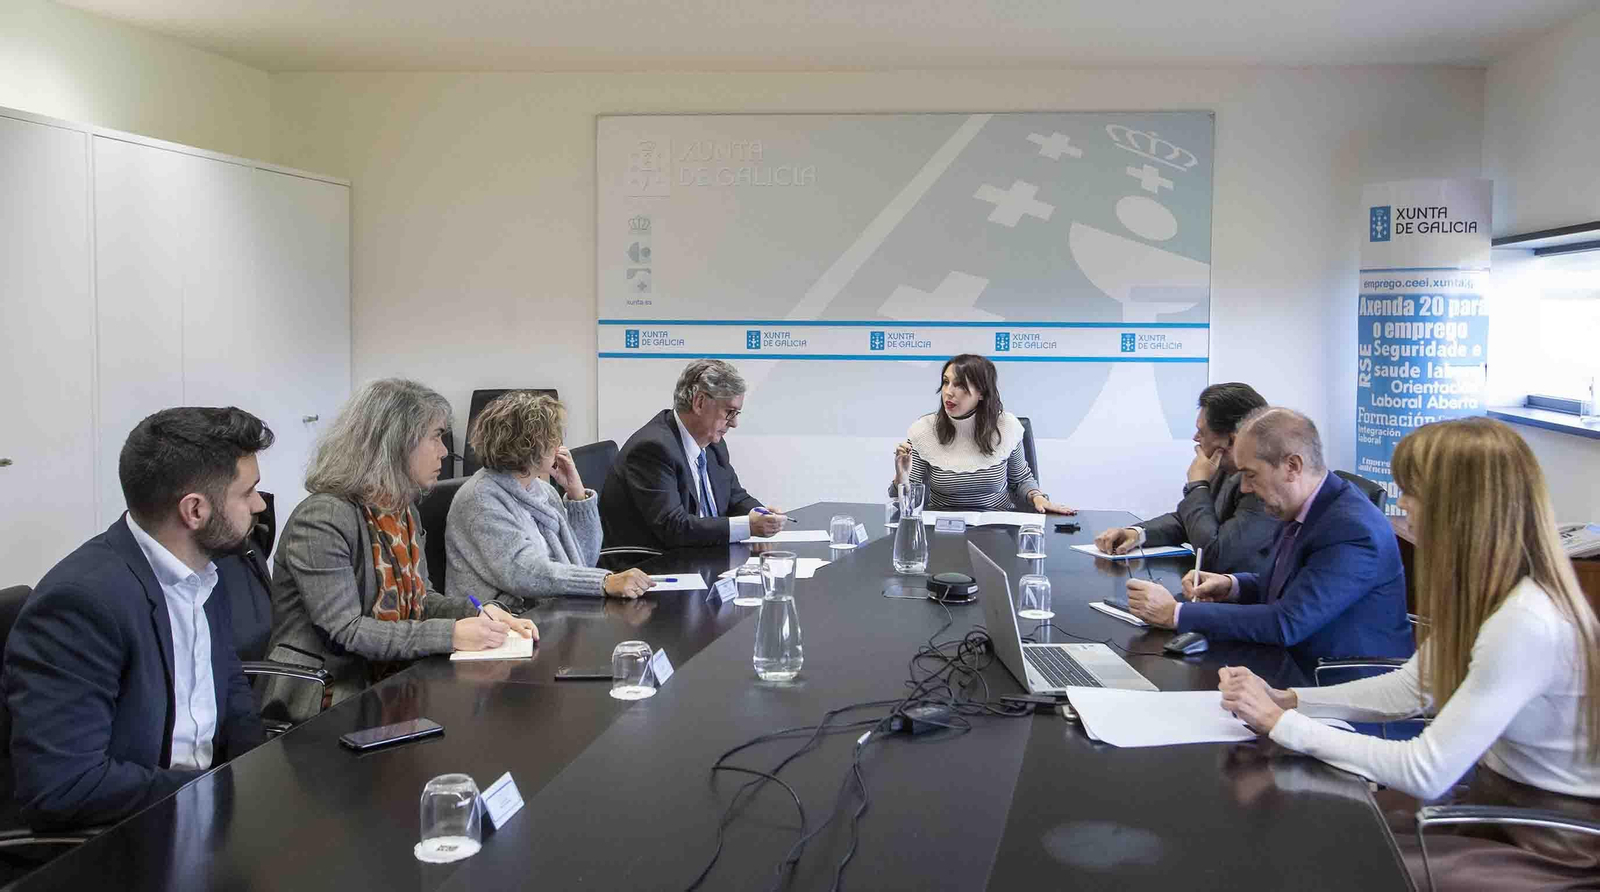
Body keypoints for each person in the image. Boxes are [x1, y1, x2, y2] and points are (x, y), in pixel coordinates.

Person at [1219, 418, 1600, 890]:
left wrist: (1284, 726)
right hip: (1496, 806)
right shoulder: (1493, 594)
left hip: (1553, 840)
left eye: (1410, 492)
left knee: (1331, 858)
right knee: (1315, 827)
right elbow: (1412, 688)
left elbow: (1425, 771)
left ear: (1458, 506)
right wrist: (1290, 699)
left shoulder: (1526, 620)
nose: (1401, 505)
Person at [2, 408, 272, 829]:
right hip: (130, 833)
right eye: (247, 492)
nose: (258, 504)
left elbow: (229, 686)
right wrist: (214, 792)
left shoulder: (206, 566)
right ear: (195, 511)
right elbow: (64, 787)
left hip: (202, 811)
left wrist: (259, 775)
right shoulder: (81, 604)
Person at [264, 379, 536, 718]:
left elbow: (421, 601)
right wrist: (451, 634)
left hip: (392, 681)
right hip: (329, 697)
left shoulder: (401, 509)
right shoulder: (323, 517)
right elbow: (347, 631)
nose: (444, 451)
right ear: (394, 443)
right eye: (435, 436)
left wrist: (478, 613)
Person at [1125, 407, 1413, 675]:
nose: (1246, 488)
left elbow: (1286, 622)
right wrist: (1231, 585)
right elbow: (1289, 585)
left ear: (1292, 466)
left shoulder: (1351, 529)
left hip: (1337, 685)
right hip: (1291, 666)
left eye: (1251, 475)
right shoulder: (1306, 506)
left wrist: (1175, 613)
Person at [446, 391, 654, 603]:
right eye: (552, 437)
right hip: (502, 622)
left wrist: (577, 495)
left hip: (548, 608)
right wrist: (603, 582)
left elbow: (583, 560)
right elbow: (522, 572)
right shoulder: (479, 499)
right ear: (527, 445)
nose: (560, 445)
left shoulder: (542, 490)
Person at [1093, 382, 1280, 575]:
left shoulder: (1262, 486)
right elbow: (1188, 521)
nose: (1195, 438)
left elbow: (1214, 557)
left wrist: (1198, 486)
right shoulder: (1222, 467)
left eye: (1202, 432)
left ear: (1231, 441)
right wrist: (1136, 534)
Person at [600, 359, 785, 550]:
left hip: (703, 556)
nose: (734, 423)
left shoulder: (714, 445)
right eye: (730, 412)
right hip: (655, 567)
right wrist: (748, 526)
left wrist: (761, 514)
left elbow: (735, 497)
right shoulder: (652, 449)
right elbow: (673, 527)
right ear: (700, 402)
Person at [890, 354, 1073, 514]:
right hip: (942, 527)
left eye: (960, 385)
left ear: (982, 393)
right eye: (946, 382)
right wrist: (901, 477)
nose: (948, 392)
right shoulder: (924, 430)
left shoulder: (1006, 427)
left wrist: (1038, 498)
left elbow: (1020, 480)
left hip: (998, 526)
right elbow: (904, 498)